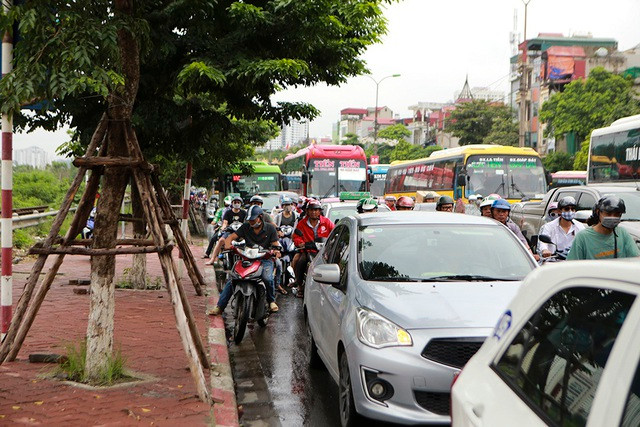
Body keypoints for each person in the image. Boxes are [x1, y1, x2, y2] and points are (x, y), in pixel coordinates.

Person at [209, 206, 281, 315]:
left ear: (260, 217)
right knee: (233, 279)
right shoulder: (245, 227)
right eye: (249, 219)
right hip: (247, 258)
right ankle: (220, 306)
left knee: (267, 278)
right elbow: (231, 237)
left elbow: (276, 244)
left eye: (253, 219)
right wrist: (228, 245)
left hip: (265, 259)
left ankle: (271, 301)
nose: (251, 222)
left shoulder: (270, 229)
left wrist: (276, 251)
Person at [567, 196, 639, 260]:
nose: (612, 217)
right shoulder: (583, 237)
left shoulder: (622, 234)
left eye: (616, 215)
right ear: (598, 212)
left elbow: (636, 259)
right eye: (608, 214)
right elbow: (572, 265)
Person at [291, 199, 335, 297]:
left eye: (316, 210)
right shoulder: (302, 223)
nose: (313, 212)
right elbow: (296, 236)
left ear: (319, 211)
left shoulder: (327, 222)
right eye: (311, 210)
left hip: (324, 251)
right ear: (307, 211)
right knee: (300, 262)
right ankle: (300, 286)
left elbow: (334, 233)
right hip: (307, 251)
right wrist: (301, 243)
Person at [207, 196, 246, 266]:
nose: (237, 204)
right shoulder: (228, 212)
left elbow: (246, 223)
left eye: (238, 202)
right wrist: (223, 228)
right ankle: (212, 259)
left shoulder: (244, 213)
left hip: (241, 233)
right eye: (235, 202)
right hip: (230, 232)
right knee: (221, 240)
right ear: (232, 203)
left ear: (241, 204)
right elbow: (225, 223)